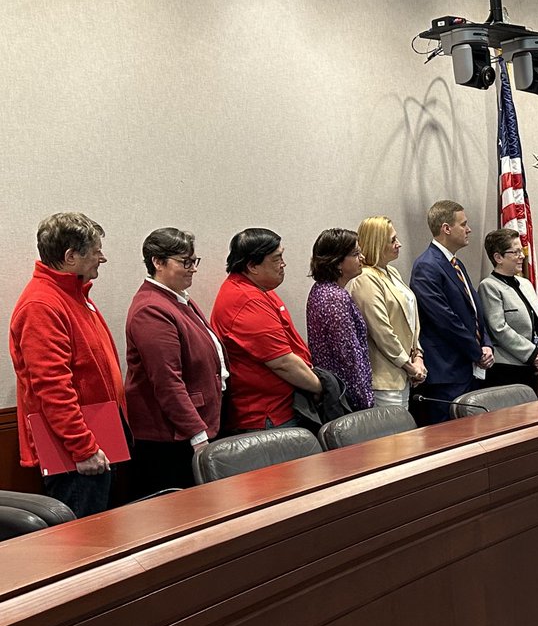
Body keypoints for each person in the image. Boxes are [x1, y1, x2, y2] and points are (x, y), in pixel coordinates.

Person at [9, 212, 125, 516]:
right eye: (96, 250)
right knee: (86, 548)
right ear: (71, 256)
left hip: (96, 442)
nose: (103, 258)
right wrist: (83, 447)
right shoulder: (42, 305)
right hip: (76, 456)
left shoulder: (73, 294)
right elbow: (52, 387)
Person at [125, 228, 226, 495]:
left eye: (194, 261)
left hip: (194, 424)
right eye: (185, 262)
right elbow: (168, 381)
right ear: (157, 262)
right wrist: (196, 433)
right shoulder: (151, 308)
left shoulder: (177, 299)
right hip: (170, 436)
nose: (192, 268)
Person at [211, 228, 320, 431]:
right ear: (253, 265)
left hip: (282, 407)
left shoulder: (258, 289)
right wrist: (321, 387)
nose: (283, 264)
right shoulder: (246, 300)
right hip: (268, 415)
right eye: (277, 258)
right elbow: (283, 363)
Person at [409, 200, 493, 424]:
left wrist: (486, 344)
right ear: (446, 228)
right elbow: (445, 320)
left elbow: (475, 312)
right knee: (450, 438)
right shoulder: (426, 266)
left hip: (467, 368)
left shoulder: (456, 264)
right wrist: (477, 352)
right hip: (446, 373)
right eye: (463, 224)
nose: (469, 229)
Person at [347, 215, 425, 409]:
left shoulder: (391, 272)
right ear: (376, 243)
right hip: (385, 380)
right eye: (392, 240)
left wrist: (419, 357)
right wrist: (409, 365)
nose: (399, 244)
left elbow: (410, 320)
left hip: (405, 372)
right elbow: (381, 331)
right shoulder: (365, 278)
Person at [306, 228, 373, 411]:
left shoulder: (321, 290)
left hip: (337, 393)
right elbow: (348, 355)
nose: (362, 258)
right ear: (337, 262)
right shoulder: (334, 297)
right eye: (355, 254)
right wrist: (365, 401)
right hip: (347, 399)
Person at [478, 228, 538, 389]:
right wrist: (533, 354)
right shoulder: (489, 286)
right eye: (516, 252)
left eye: (522, 251)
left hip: (533, 365)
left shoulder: (525, 284)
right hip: (508, 369)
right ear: (498, 257)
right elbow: (499, 329)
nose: (522, 256)